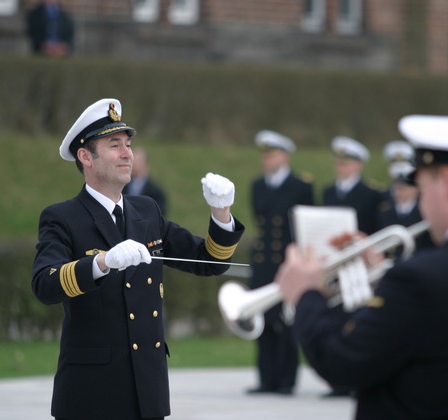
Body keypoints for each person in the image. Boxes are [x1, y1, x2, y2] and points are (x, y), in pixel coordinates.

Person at [274, 115, 448, 419]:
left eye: (423, 187)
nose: (422, 203)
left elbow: (343, 362)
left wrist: (306, 295)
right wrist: (380, 276)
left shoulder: (420, 281)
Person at [31, 98, 245, 420]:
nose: (127, 153)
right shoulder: (62, 218)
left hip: (147, 389)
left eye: (128, 144)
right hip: (92, 394)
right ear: (85, 156)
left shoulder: (146, 210)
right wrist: (100, 264)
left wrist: (221, 212)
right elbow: (44, 284)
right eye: (114, 144)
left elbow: (207, 261)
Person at [246, 130, 314, 396]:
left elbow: (305, 225)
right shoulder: (258, 185)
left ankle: (286, 380)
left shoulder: (301, 186)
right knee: (262, 319)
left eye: (271, 155)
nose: (266, 160)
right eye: (264, 155)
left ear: (284, 156)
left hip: (287, 261)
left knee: (285, 324)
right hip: (264, 262)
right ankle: (266, 379)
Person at [323, 136, 382, 236]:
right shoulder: (328, 191)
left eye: (345, 164)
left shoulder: (370, 193)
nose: (341, 167)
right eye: (338, 163)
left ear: (358, 165)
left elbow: (375, 226)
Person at [123, 147, 168, 216]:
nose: (134, 165)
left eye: (138, 161)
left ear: (145, 164)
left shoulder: (156, 192)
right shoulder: (123, 187)